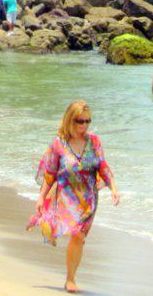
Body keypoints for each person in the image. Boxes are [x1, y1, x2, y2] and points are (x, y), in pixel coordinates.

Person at [27, 100, 120, 293]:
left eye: (88, 121)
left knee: (79, 237)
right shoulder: (58, 144)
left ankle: (71, 278)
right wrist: (40, 198)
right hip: (67, 197)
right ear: (70, 120)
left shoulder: (94, 141)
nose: (84, 125)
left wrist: (113, 188)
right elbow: (50, 174)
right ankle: (70, 278)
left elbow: (103, 166)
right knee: (76, 234)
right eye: (80, 121)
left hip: (88, 199)